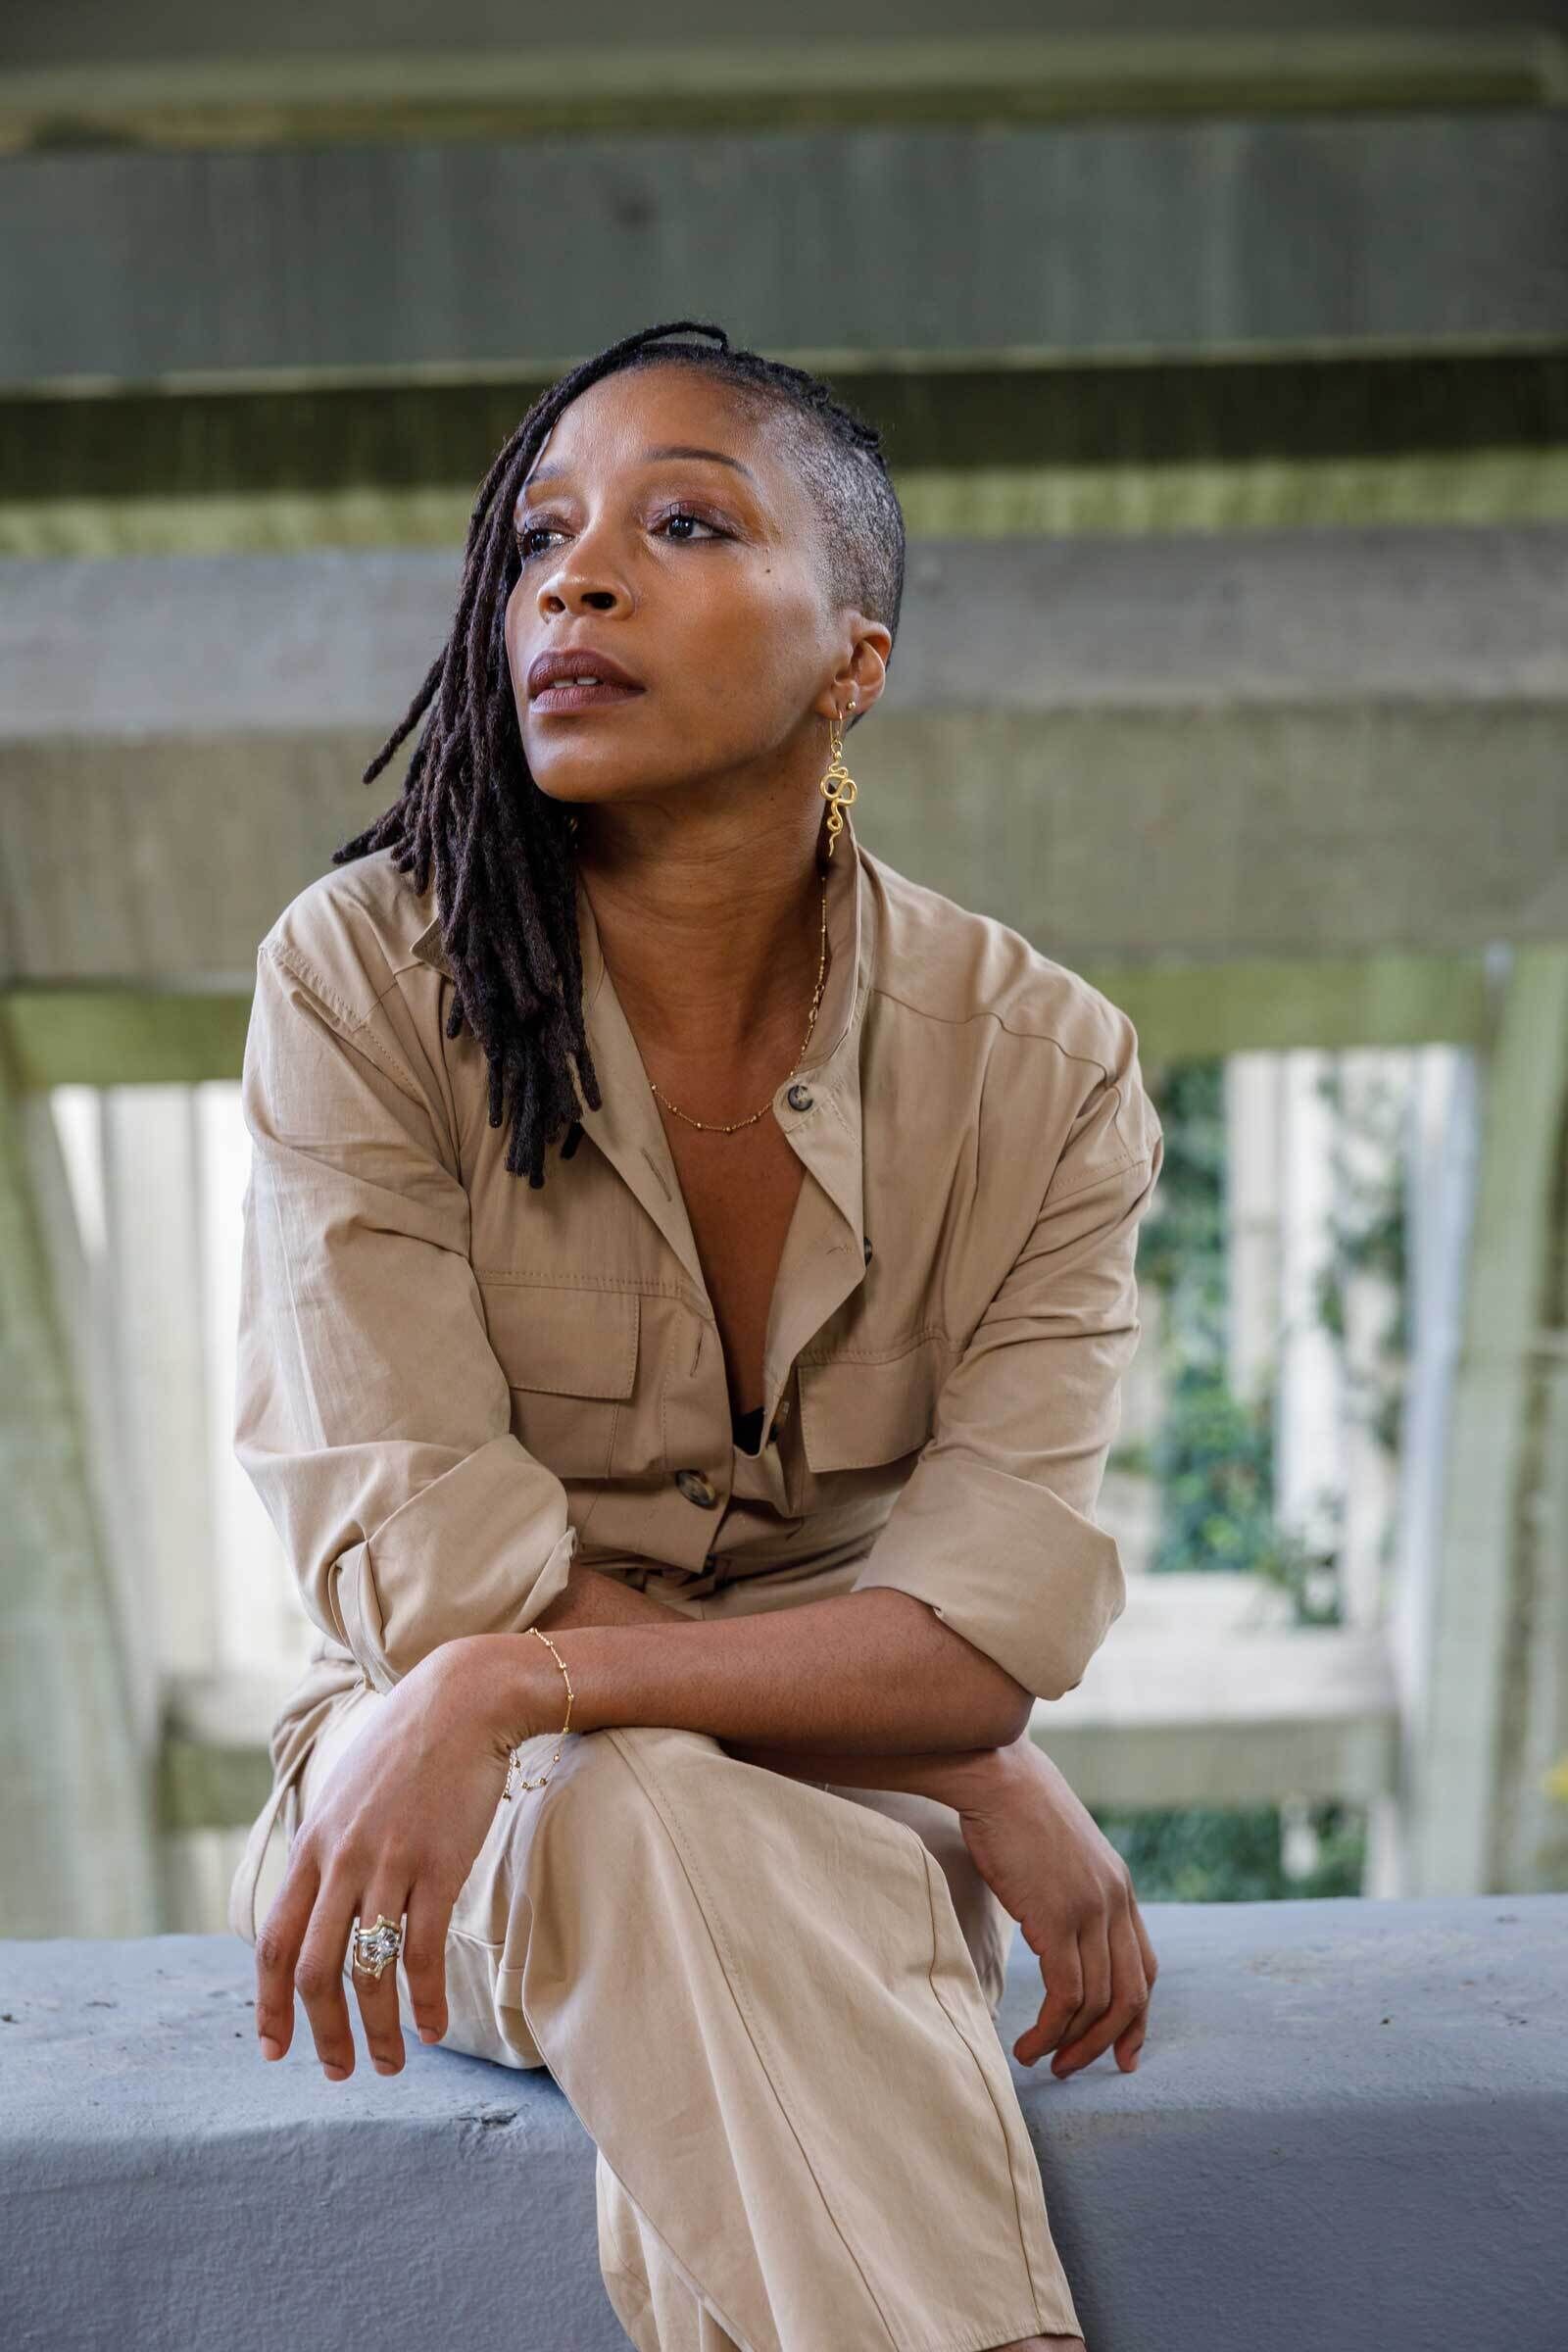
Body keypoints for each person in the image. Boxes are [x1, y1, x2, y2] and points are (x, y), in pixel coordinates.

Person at [227, 318, 1165, 2352]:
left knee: (671, 1812)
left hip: (827, 1810)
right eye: (537, 538)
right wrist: (965, 1757)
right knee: (639, 1803)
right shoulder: (362, 985)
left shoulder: (1044, 1071)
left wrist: (949, 1719)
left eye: (682, 521)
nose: (570, 575)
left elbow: (982, 1628)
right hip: (429, 1804)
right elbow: (429, 1580)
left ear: (855, 660)